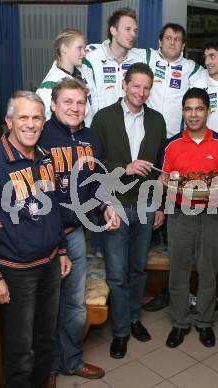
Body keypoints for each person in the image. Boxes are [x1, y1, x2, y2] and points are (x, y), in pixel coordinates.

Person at [0, 79, 120, 386]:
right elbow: (5, 175)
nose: (74, 108)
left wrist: (105, 206)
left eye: (80, 102)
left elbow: (96, 181)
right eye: (67, 102)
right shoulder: (37, 133)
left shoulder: (91, 138)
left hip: (73, 234)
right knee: (37, 312)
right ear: (53, 105)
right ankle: (42, 369)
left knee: (73, 303)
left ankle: (70, 360)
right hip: (34, 237)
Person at [0, 91, 71, 388]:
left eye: (36, 118)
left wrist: (62, 249)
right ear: (9, 121)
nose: (30, 124)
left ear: (44, 122)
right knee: (20, 351)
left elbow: (54, 212)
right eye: (23, 117)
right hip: (16, 272)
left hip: (50, 265)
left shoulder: (46, 158)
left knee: (45, 342)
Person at [91, 63, 166, 359]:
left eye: (147, 88)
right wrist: (126, 168)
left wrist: (160, 204)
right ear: (124, 84)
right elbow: (93, 164)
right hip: (115, 206)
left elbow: (161, 168)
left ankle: (134, 318)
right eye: (136, 86)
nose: (141, 92)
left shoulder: (158, 121)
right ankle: (120, 331)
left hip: (147, 205)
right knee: (118, 274)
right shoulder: (103, 118)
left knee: (137, 269)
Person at [159, 87, 218, 348]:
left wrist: (216, 187)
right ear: (182, 112)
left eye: (199, 109)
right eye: (188, 109)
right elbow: (164, 178)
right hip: (179, 214)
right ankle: (180, 322)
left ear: (208, 112)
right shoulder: (172, 145)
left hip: (212, 214)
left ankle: (204, 322)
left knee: (208, 270)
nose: (193, 114)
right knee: (178, 270)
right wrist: (164, 181)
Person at [141, 23, 202, 138]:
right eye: (168, 38)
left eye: (177, 39)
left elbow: (215, 75)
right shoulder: (147, 56)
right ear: (160, 42)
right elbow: (118, 49)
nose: (172, 43)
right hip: (144, 134)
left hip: (175, 137)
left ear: (183, 45)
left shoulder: (191, 68)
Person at [85, 7, 144, 115]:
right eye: (128, 29)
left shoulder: (139, 60)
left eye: (135, 30)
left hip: (130, 126)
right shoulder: (92, 59)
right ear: (113, 30)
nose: (133, 34)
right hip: (99, 127)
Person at [36, 28, 94, 126]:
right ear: (64, 48)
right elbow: (44, 125)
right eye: (79, 48)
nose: (83, 53)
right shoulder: (49, 87)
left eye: (84, 49)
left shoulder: (83, 71)